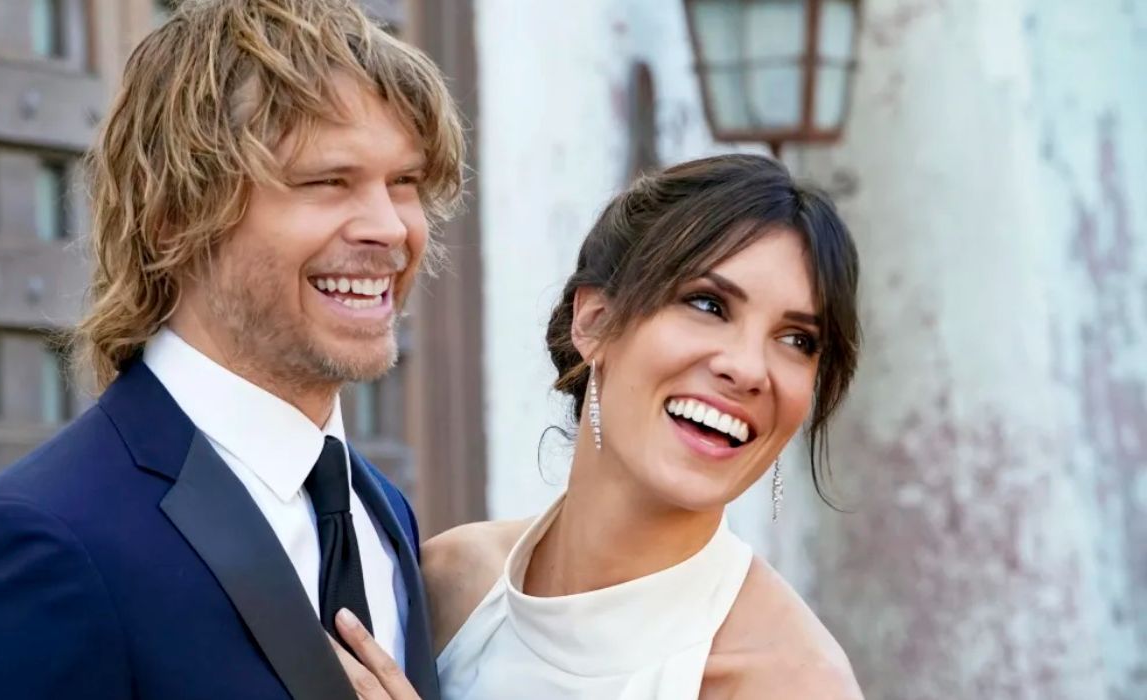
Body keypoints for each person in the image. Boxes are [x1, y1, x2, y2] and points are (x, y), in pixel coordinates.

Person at [0, 1, 464, 698]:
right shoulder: (33, 546)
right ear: (174, 216)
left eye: (405, 183)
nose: (389, 227)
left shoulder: (381, 512)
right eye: (326, 182)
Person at [333, 154, 865, 699]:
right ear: (593, 321)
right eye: (708, 304)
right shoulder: (447, 582)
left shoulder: (793, 682)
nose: (750, 369)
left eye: (798, 340)